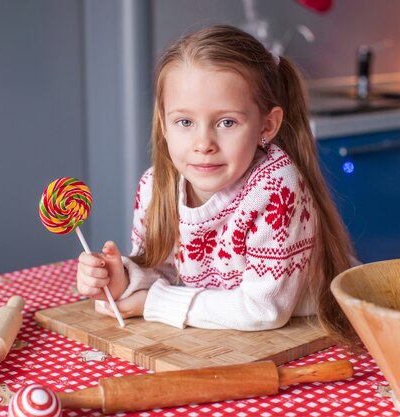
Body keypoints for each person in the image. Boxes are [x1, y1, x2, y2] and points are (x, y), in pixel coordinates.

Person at [76, 25, 356, 344]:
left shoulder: (276, 188)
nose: (204, 143)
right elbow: (166, 273)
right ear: (164, 123)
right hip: (221, 333)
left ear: (267, 125)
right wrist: (121, 280)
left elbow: (265, 309)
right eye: (185, 122)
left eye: (226, 122)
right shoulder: (156, 187)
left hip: (301, 337)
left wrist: (151, 302)